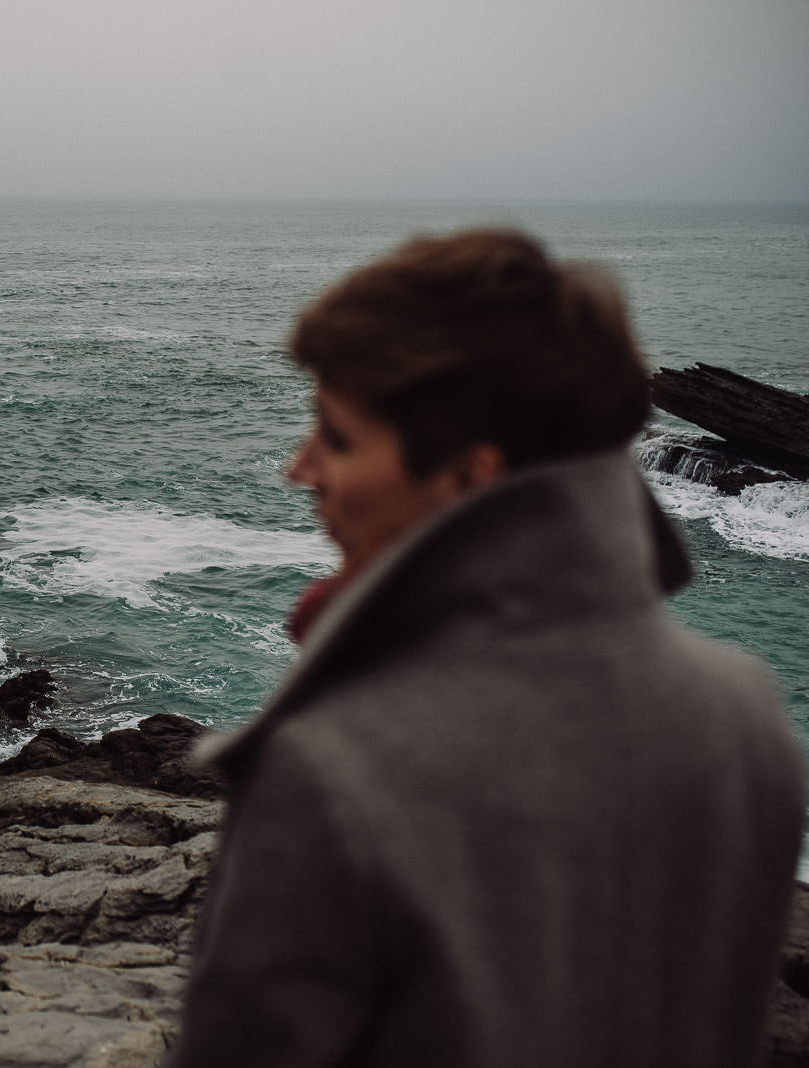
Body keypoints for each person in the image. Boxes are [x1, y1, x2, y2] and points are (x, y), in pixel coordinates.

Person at [168, 229, 805, 1067]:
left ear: (469, 479)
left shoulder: (339, 769)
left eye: (338, 437)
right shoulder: (745, 716)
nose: (300, 468)